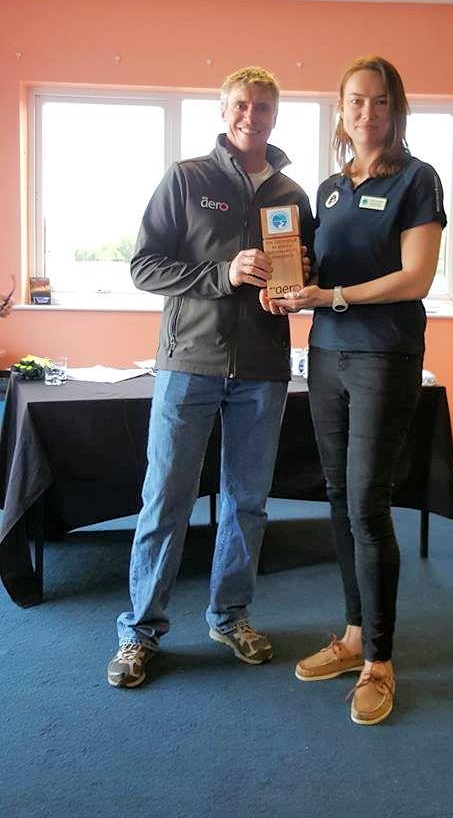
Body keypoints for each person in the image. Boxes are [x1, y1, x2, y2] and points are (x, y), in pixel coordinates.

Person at [107, 66, 314, 688]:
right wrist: (221, 273)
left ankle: (230, 615)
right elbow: (144, 266)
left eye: (264, 107)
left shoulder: (293, 194)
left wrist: (298, 282)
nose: (252, 116)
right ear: (224, 112)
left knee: (247, 502)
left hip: (263, 369)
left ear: (276, 116)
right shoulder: (187, 178)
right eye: (242, 105)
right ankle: (140, 631)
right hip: (188, 364)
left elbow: (304, 276)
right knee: (166, 499)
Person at [264, 56, 446, 725]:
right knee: (339, 497)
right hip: (329, 358)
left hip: (383, 356)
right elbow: (317, 267)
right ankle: (350, 635)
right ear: (340, 111)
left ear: (394, 109)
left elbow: (415, 277)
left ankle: (380, 659)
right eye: (354, 102)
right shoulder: (332, 187)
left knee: (368, 504)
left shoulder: (416, 179)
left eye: (377, 101)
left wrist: (328, 294)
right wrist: (291, 280)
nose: (366, 112)